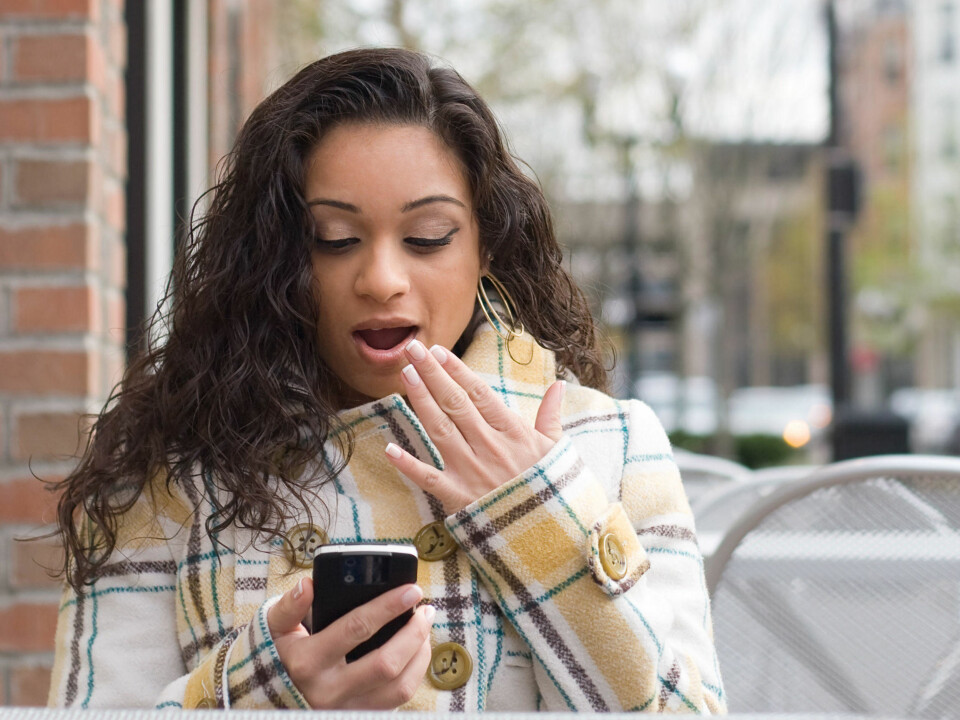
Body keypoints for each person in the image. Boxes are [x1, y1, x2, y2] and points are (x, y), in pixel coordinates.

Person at [47, 47, 726, 713]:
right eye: (333, 239)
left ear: (486, 246)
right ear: (272, 256)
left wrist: (538, 523)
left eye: (427, 236)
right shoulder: (172, 466)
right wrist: (262, 693)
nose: (380, 280)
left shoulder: (612, 445)